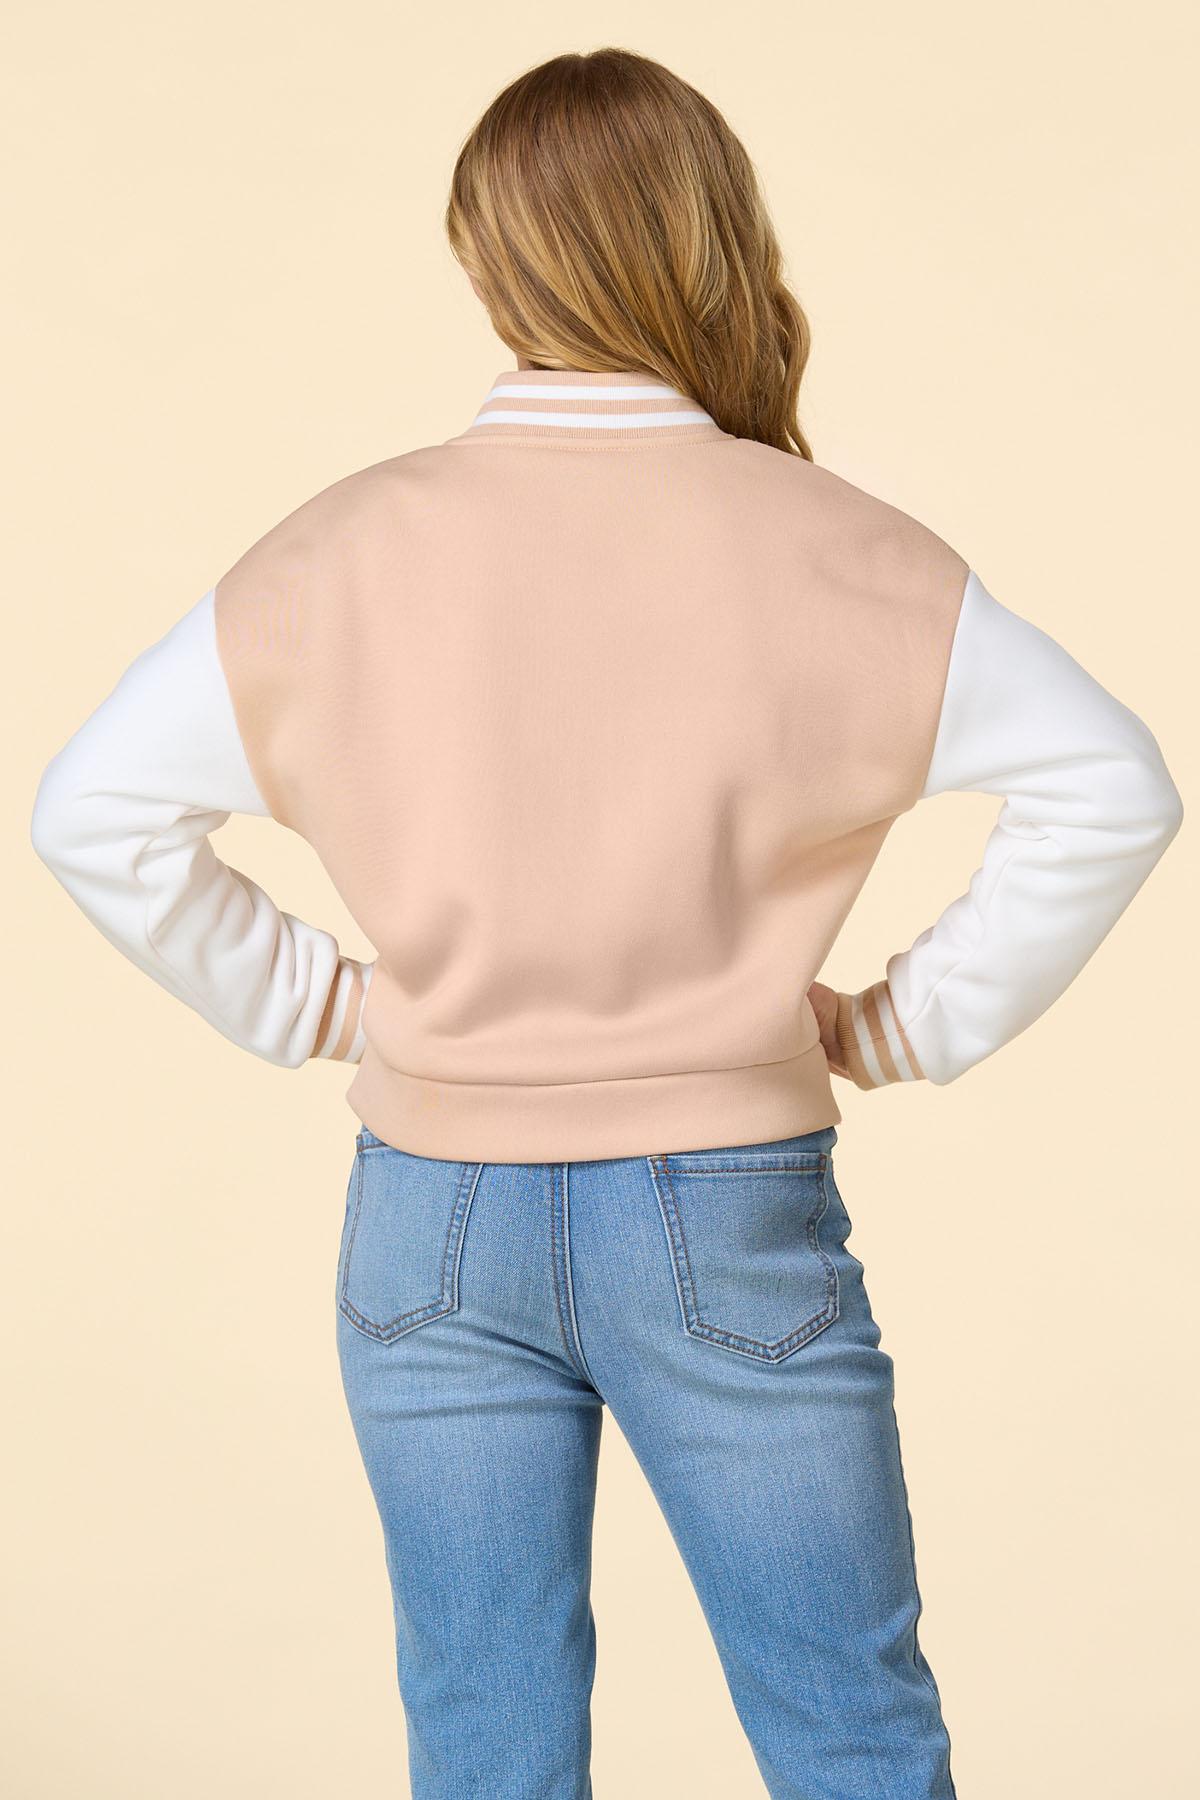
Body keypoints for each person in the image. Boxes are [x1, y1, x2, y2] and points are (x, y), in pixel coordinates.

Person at [30, 45, 1183, 1800]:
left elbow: (89, 812)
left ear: (487, 260)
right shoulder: (841, 544)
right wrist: (902, 1026)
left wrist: (330, 1011)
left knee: (483, 1741)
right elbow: (1117, 786)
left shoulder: (339, 548)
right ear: (713, 241)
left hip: (429, 1219)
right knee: (851, 1728)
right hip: (722, 1211)